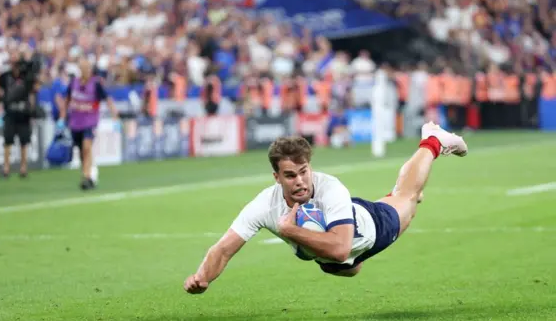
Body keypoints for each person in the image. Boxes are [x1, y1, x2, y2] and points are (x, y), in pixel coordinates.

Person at [184, 122, 467, 294]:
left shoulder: (330, 188)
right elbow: (223, 249)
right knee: (345, 269)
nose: (300, 182)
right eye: (290, 176)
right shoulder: (264, 204)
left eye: (304, 171)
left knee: (406, 196)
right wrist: (201, 278)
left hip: (369, 227)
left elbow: (341, 249)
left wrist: (291, 231)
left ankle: (432, 140)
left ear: (310, 167)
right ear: (276, 178)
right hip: (336, 248)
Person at [57, 58, 121, 190]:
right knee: (81, 151)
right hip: (75, 123)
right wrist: (62, 118)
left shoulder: (96, 84)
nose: (85, 70)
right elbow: (66, 100)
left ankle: (86, 176)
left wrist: (116, 117)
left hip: (89, 122)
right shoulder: (73, 83)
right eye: (82, 68)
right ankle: (88, 174)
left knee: (87, 147)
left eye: (87, 68)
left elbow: (108, 100)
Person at [0, 58, 38, 178]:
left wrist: (32, 109)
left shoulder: (26, 77)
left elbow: (33, 91)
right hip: (10, 112)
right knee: (8, 140)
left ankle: (23, 167)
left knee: (24, 141)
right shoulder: (5, 76)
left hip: (23, 113)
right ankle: (6, 167)